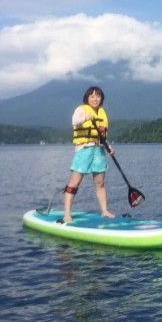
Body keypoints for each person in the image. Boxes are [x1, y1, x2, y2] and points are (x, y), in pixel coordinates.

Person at [62, 85, 115, 223]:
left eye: (98, 96)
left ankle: (104, 211)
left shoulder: (102, 113)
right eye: (92, 96)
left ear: (101, 98)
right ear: (87, 98)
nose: (95, 98)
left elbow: (101, 135)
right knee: (75, 182)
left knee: (100, 183)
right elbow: (74, 121)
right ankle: (67, 214)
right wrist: (85, 117)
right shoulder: (81, 109)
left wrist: (108, 147)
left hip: (99, 150)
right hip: (84, 149)